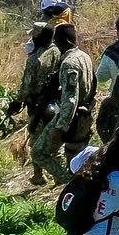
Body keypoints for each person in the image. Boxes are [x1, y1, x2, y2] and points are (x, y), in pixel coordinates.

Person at [32, 23, 96, 187]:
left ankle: (70, 181)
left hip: (71, 117)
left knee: (39, 152)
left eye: (57, 42)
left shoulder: (69, 63)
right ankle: (73, 180)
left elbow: (70, 99)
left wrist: (60, 128)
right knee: (75, 157)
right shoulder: (84, 56)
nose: (56, 46)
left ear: (65, 41)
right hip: (84, 114)